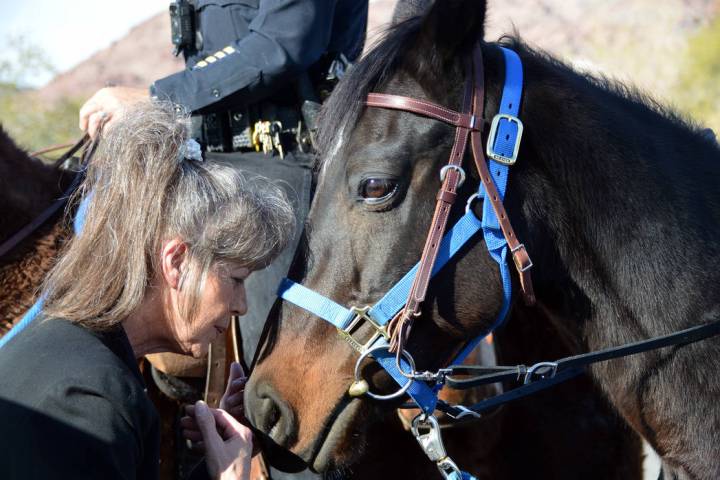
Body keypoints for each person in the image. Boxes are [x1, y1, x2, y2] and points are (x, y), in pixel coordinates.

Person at [0, 101, 294, 480]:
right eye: (236, 279)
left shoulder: (70, 355)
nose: (241, 306)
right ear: (175, 262)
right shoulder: (92, 403)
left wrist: (214, 467)